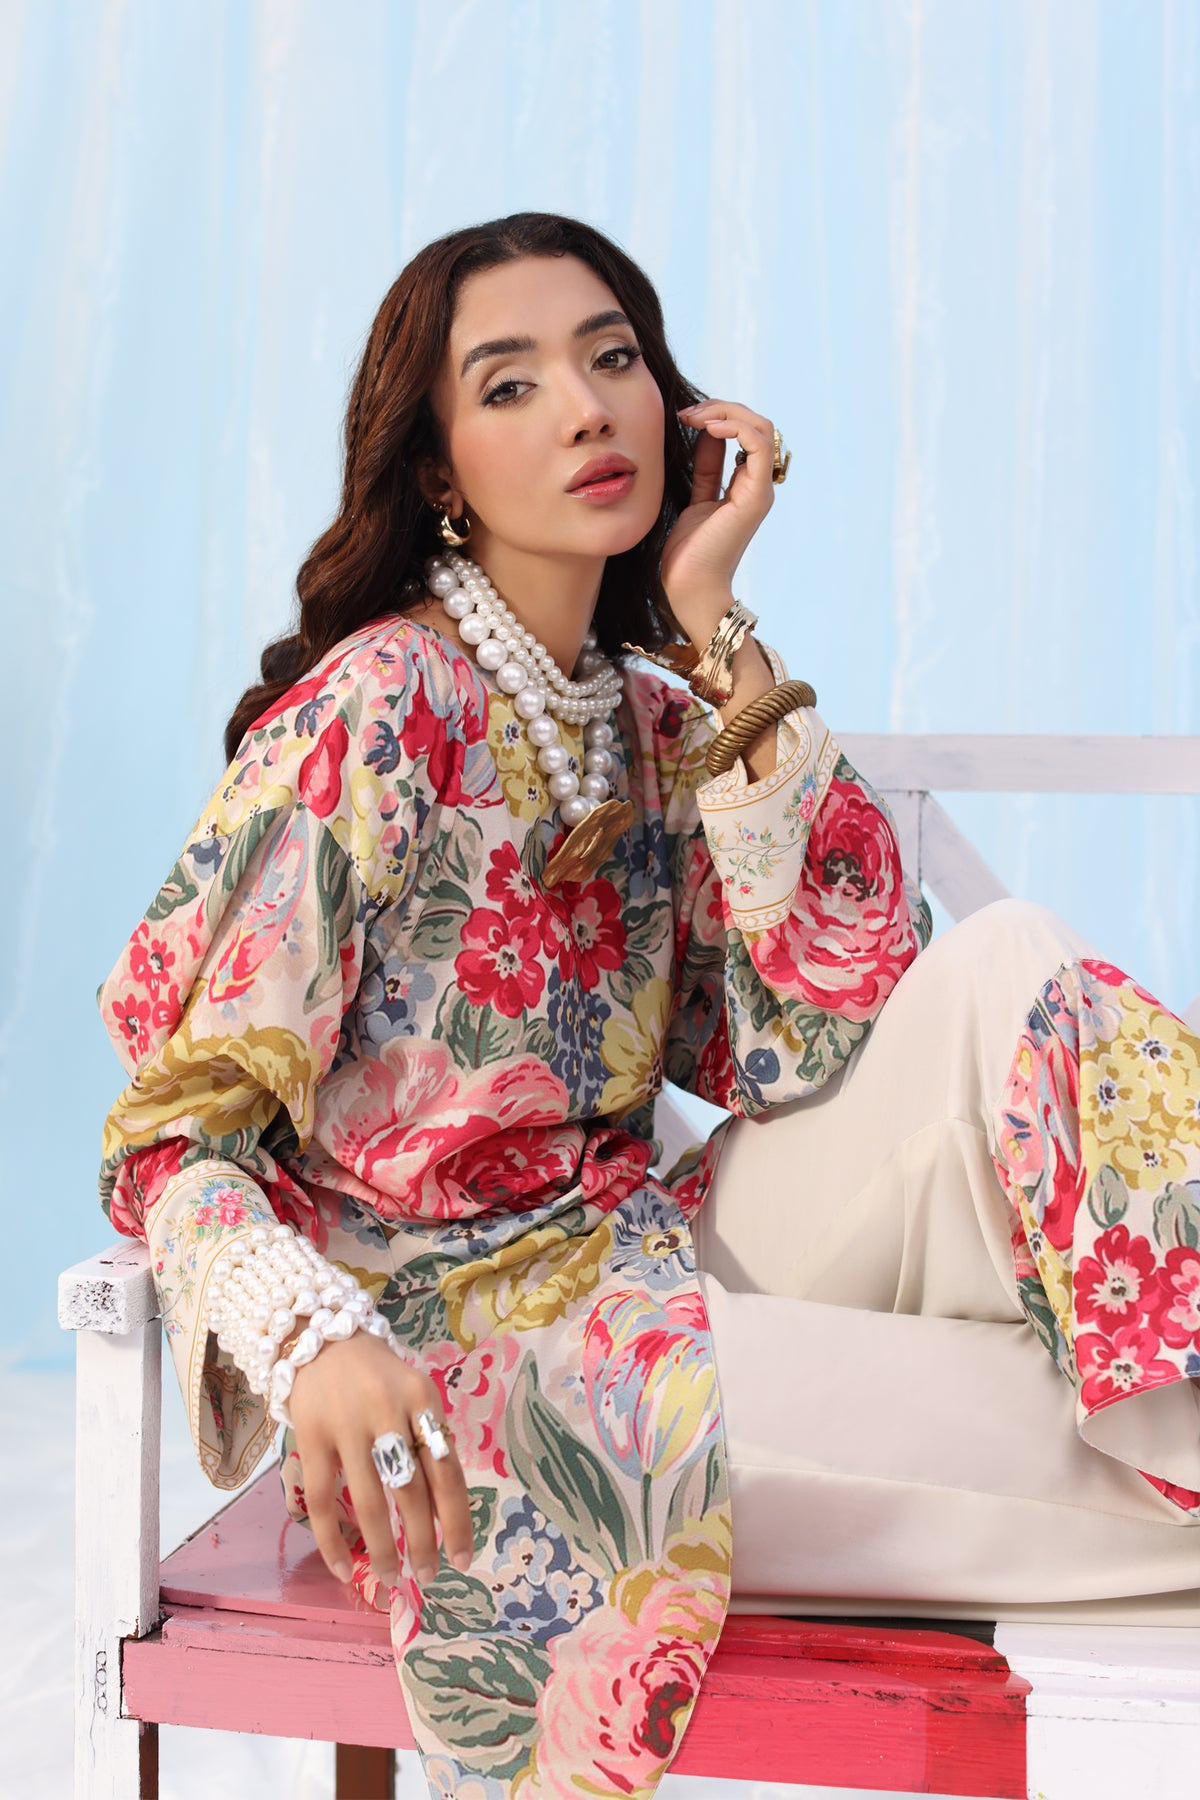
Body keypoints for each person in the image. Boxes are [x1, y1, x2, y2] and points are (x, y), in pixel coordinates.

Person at [97, 211, 1200, 1798]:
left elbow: (821, 1033)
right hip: (491, 1379)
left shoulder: (645, 712)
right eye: (511, 384)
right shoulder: (375, 711)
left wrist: (711, 613)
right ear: (438, 470)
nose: (583, 409)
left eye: (610, 358)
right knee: (1133, 1473)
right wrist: (313, 1337)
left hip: (658, 1256)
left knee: (1009, 955)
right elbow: (167, 1140)